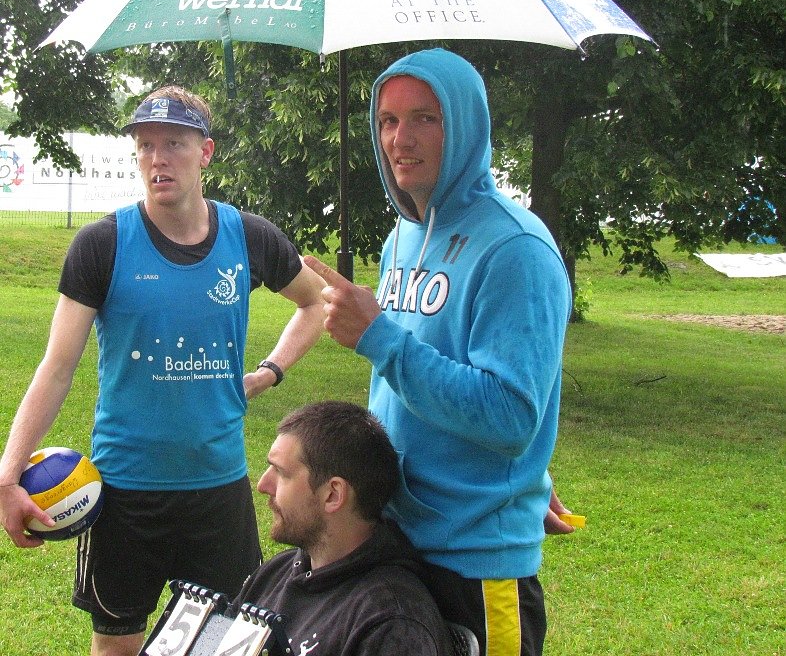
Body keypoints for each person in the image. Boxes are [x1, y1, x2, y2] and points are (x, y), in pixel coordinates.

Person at [0, 86, 325, 656]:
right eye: (145, 145)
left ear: (206, 152)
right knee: (117, 645)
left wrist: (270, 370)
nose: (157, 158)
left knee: (227, 646)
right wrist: (6, 473)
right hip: (124, 494)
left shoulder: (248, 238)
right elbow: (56, 369)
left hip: (218, 491)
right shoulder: (101, 245)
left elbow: (317, 301)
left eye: (174, 143)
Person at [304, 48, 573, 656]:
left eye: (427, 118)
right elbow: (414, 385)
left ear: (467, 124)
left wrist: (378, 338)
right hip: (396, 540)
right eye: (387, 121)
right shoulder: (403, 236)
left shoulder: (516, 249)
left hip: (476, 561)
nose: (402, 139)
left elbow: (509, 415)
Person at [227, 400, 453, 656]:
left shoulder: (390, 622)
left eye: (281, 473)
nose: (263, 485)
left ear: (333, 495)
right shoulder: (275, 574)